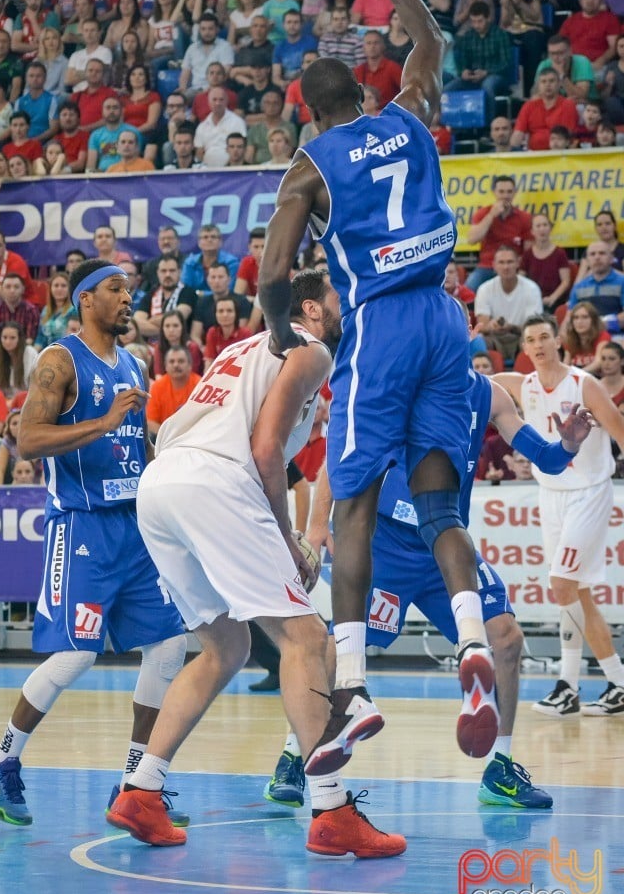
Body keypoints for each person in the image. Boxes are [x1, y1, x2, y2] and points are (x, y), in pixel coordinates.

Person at [258, 0, 500, 769]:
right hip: (445, 319)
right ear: (364, 89)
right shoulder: (408, 113)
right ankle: (470, 640)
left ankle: (354, 689)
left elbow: (271, 275)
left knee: (354, 503)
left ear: (307, 110)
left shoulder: (311, 166)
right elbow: (431, 39)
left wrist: (276, 335)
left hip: (384, 329)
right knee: (439, 503)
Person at [107, 268, 406, 858]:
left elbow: (191, 428)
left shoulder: (242, 347)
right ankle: (329, 807)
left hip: (162, 484)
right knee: (306, 636)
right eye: (338, 300)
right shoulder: (312, 349)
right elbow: (265, 449)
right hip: (216, 481)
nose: (346, 309)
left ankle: (140, 789)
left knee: (226, 648)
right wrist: (288, 536)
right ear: (313, 311)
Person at [265, 369, 592, 809]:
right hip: (387, 543)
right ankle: (294, 754)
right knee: (334, 651)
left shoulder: (489, 395)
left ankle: (500, 766)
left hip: (446, 544)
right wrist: (318, 523)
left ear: (467, 332)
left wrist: (568, 444)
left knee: (507, 639)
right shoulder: (400, 380)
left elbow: (545, 458)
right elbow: (343, 452)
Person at [0, 259, 189, 828]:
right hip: (81, 527)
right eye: (116, 290)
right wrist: (99, 423)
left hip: (134, 529)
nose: (128, 299)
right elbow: (26, 439)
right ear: (85, 300)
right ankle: (2, 759)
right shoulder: (58, 360)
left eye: (130, 289)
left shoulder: (133, 363)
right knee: (76, 654)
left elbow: (136, 451)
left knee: (171, 647)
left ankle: (134, 783)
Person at [494, 315, 624, 718]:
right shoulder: (521, 384)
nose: (538, 344)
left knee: (561, 583)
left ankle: (567, 686)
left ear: (558, 341)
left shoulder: (585, 385)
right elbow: (469, 381)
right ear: (525, 347)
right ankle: (618, 683)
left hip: (588, 493)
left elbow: (620, 430)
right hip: (550, 495)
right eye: (530, 338)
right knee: (576, 592)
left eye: (545, 336)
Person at [466, 175, 533, 292]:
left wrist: (521, 270)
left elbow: (528, 251)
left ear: (514, 193)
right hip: (487, 266)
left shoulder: (524, 217)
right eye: (501, 192)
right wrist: (491, 215)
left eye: (509, 192)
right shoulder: (483, 213)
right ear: (494, 192)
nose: (505, 196)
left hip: (513, 267)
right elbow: (472, 239)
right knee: (469, 289)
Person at [509, 69, 578, 152]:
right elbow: (518, 134)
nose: (547, 85)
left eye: (551, 81)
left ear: (559, 84)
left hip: (560, 154)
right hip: (534, 155)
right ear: (538, 86)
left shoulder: (568, 105)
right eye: (543, 82)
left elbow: (569, 136)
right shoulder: (529, 106)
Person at [520, 213, 571, 313]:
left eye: (545, 225)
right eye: (538, 226)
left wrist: (552, 298)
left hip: (555, 302)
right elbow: (520, 280)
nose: (542, 229)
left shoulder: (560, 253)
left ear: (550, 228)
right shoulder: (527, 255)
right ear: (532, 231)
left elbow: (566, 281)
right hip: (532, 302)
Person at [146, 344, 200, 435]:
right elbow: (151, 422)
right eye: (171, 361)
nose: (176, 365)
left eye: (181, 361)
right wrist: (170, 437)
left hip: (194, 436)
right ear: (166, 366)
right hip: (166, 438)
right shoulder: (157, 387)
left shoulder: (200, 385)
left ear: (190, 365)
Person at [562, 301, 610, 374]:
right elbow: (566, 364)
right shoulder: (570, 338)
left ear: (593, 320)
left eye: (585, 317)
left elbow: (598, 362)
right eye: (576, 318)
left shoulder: (603, 336)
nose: (579, 322)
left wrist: (577, 374)